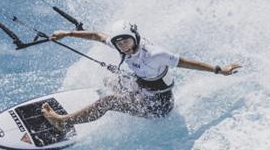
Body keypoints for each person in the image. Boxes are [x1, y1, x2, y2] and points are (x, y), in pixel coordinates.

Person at [41, 20, 241, 131]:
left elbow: (187, 63)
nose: (122, 46)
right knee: (109, 80)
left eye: (126, 41)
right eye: (119, 43)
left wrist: (219, 69)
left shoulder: (155, 54)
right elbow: (96, 36)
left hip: (158, 106)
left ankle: (64, 122)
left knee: (108, 101)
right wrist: (67, 33)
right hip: (142, 88)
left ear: (135, 37)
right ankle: (98, 108)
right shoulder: (122, 44)